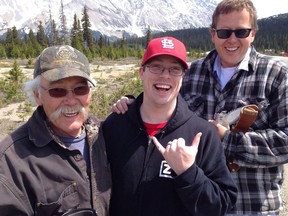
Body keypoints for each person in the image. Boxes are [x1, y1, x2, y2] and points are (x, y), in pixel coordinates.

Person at [113, 0, 288, 215]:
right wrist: (131, 104)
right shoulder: (191, 72)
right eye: (224, 32)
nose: (232, 39)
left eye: (241, 32)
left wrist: (226, 140)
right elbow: (163, 102)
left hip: (252, 204)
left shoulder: (277, 75)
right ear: (213, 34)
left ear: (253, 33)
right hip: (194, 203)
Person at [102, 36, 237, 216]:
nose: (165, 75)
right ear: (142, 72)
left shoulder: (202, 134)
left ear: (183, 77)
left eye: (175, 69)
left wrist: (188, 173)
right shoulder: (114, 126)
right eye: (156, 66)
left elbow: (222, 204)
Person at [0, 45, 111, 216]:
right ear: (37, 95)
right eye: (57, 90)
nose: (71, 100)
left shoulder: (107, 135)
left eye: (80, 89)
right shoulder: (11, 160)